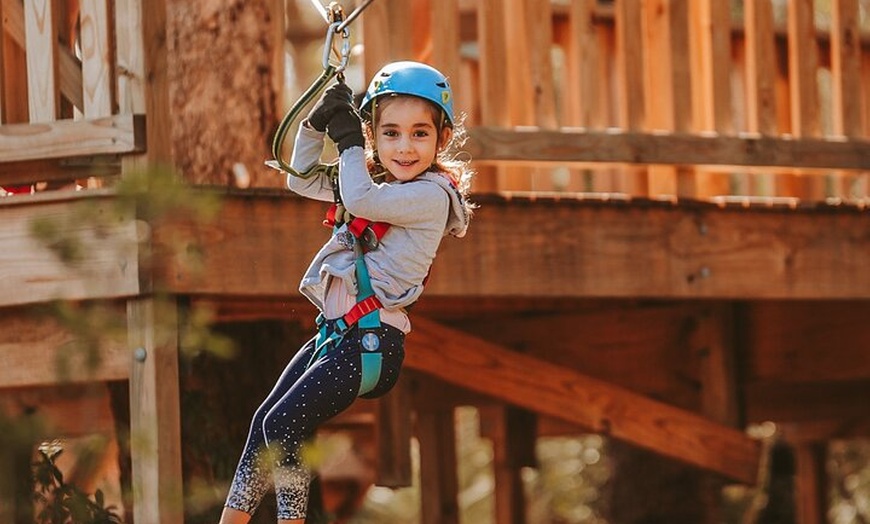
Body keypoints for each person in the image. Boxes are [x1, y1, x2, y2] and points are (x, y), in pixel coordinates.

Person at [219, 61, 474, 523]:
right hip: (340, 337)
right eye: (390, 133)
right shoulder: (371, 180)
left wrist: (351, 141)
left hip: (372, 345)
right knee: (264, 423)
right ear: (375, 134)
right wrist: (317, 125)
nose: (405, 147)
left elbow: (359, 201)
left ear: (442, 138)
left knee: (285, 423)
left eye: (420, 134)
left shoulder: (431, 197)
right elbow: (300, 179)